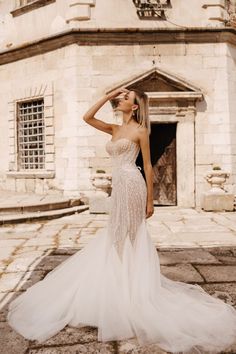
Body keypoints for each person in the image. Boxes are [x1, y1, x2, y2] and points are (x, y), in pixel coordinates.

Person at [7, 88, 236, 354]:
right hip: (119, 187)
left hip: (134, 185)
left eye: (126, 98)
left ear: (136, 107)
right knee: (116, 236)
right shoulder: (114, 128)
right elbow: (87, 117)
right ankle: (118, 289)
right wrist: (108, 96)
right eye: (121, 97)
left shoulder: (140, 131)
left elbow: (148, 166)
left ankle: (133, 292)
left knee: (132, 236)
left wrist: (151, 200)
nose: (121, 99)